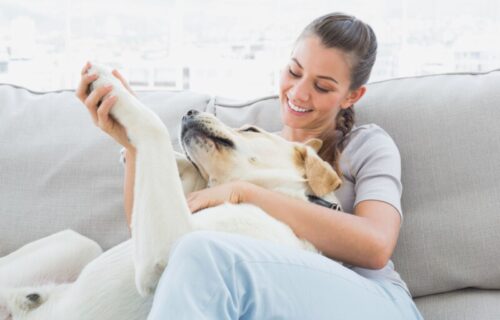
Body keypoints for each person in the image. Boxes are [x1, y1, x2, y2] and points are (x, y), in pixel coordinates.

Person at [77, 12, 423, 320]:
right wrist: (133, 144)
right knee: (192, 255)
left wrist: (246, 194)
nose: (299, 93)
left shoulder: (366, 145)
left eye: (321, 86)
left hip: (374, 302)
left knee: (203, 253)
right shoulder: (238, 154)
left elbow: (376, 245)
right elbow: (154, 243)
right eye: (294, 72)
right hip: (272, 295)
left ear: (352, 96)